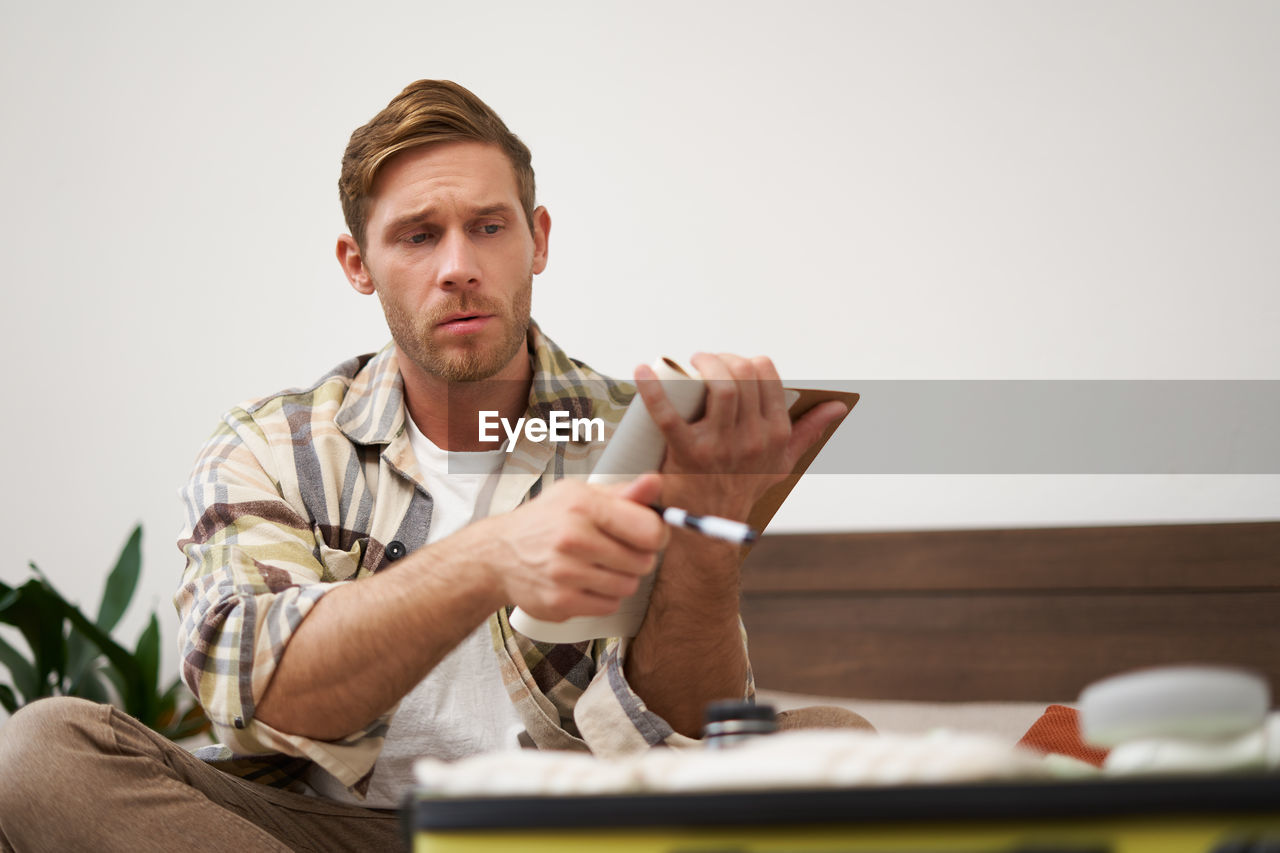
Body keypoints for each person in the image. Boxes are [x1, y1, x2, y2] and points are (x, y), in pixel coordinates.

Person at [0, 80, 846, 851]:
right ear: (357, 265)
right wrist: (490, 556)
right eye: (417, 235)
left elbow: (686, 732)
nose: (458, 267)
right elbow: (255, 689)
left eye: (488, 226)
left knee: (832, 744)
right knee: (39, 752)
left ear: (537, 239)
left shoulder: (640, 431)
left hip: (580, 831)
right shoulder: (272, 444)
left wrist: (707, 537)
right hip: (326, 832)